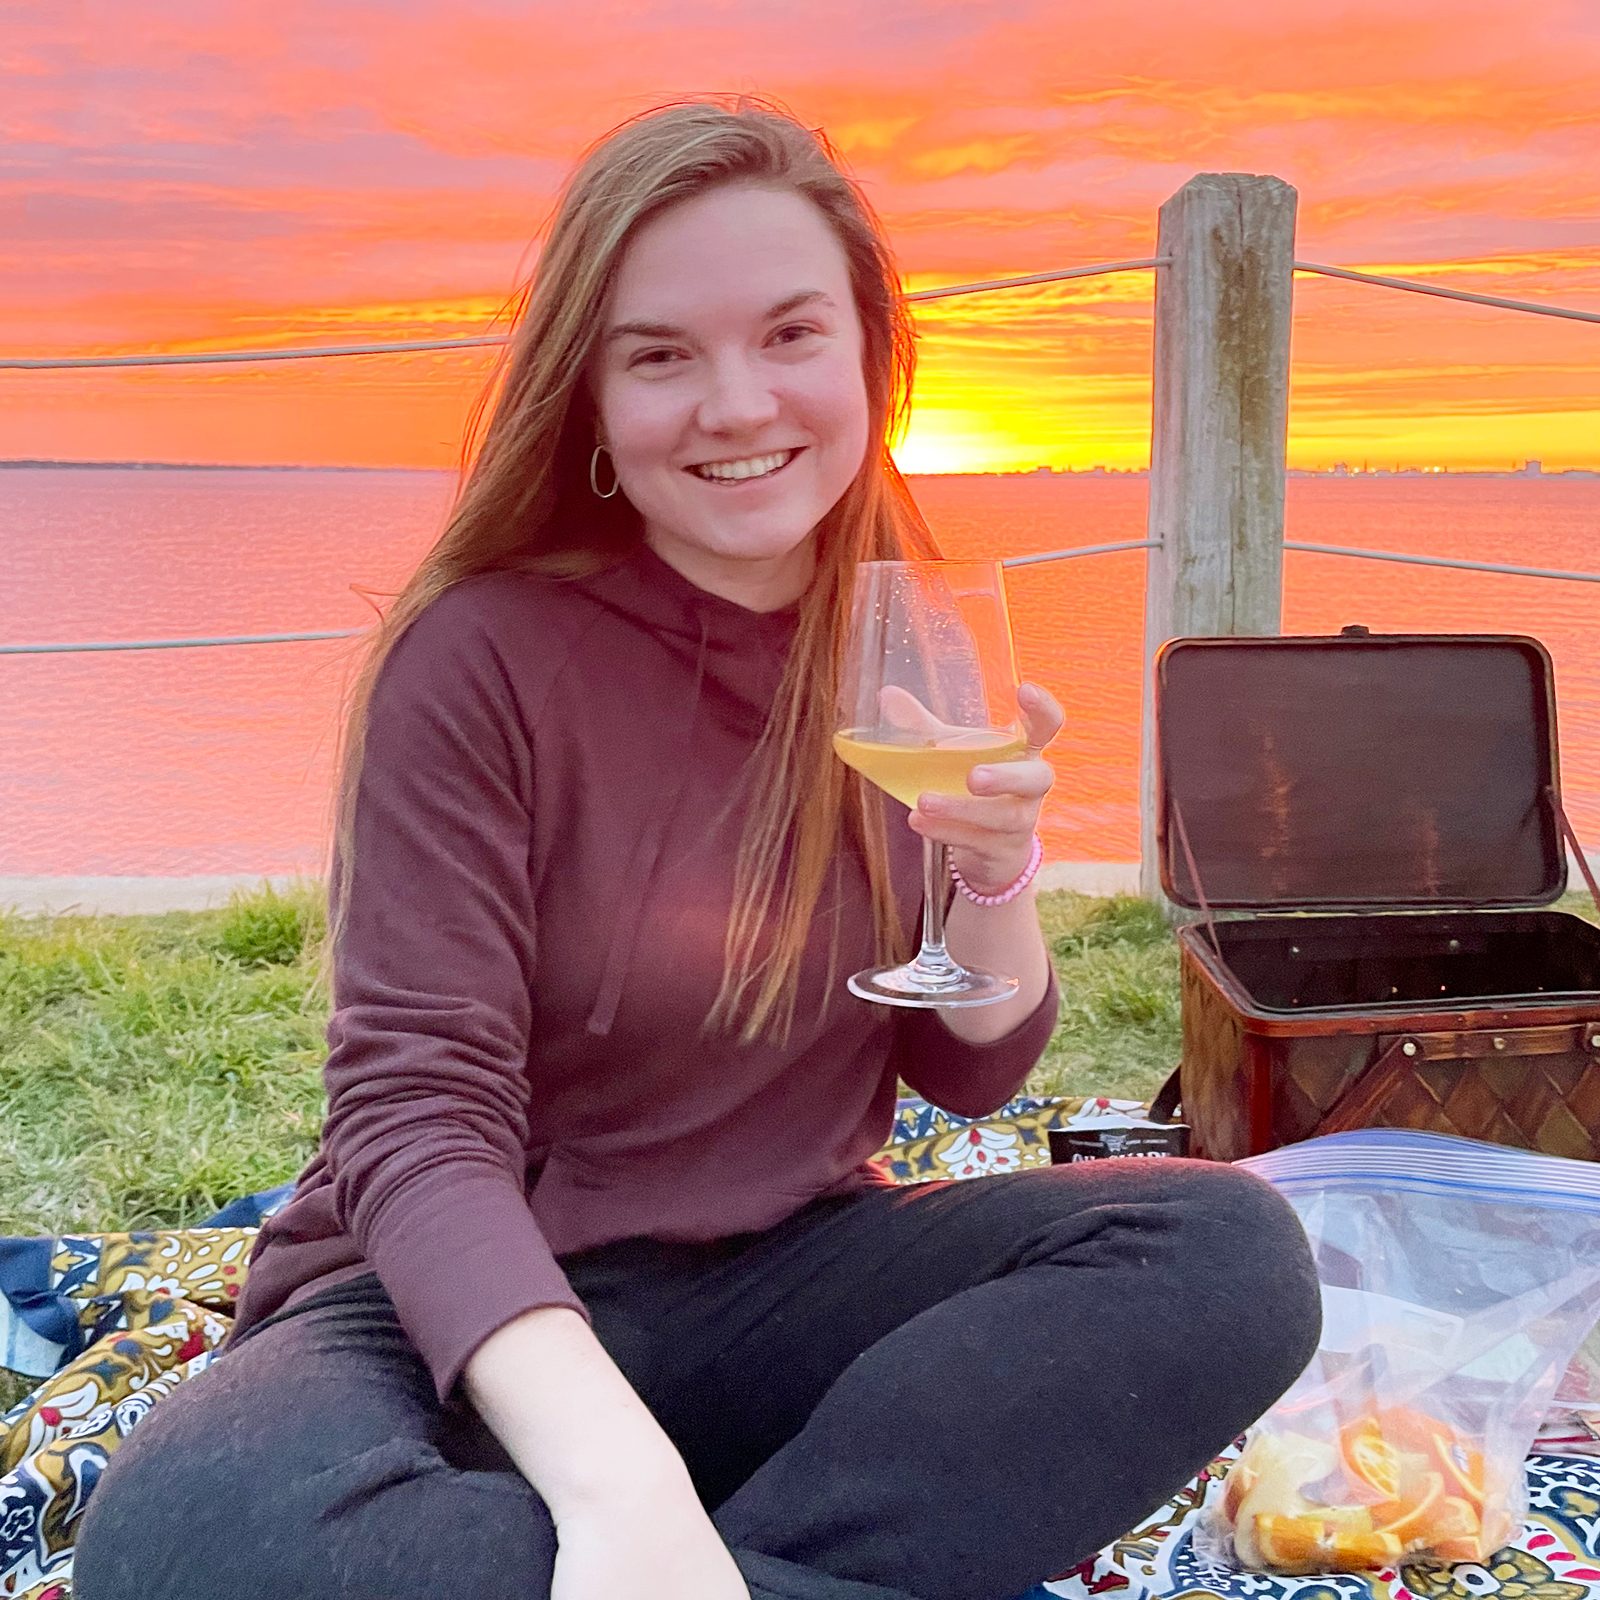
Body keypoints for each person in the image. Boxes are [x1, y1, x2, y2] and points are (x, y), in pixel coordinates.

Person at [72, 95, 1321, 1600]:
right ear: (592, 401)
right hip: (460, 1310)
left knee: (1228, 1252)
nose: (737, 405)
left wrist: (995, 874)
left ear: (871, 358)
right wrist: (619, 1479)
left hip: (779, 1281)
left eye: (791, 334)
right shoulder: (481, 657)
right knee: (188, 1533)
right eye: (661, 356)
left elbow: (968, 1072)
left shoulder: (901, 643)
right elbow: (418, 1114)